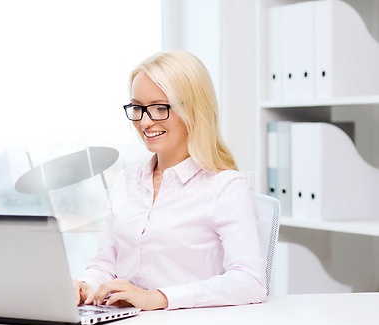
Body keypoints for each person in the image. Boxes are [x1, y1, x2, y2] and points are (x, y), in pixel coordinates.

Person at [72, 51, 267, 310]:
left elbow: (250, 281)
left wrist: (159, 297)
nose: (144, 121)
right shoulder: (126, 182)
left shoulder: (226, 187)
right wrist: (87, 285)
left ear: (194, 111)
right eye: (138, 108)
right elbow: (105, 264)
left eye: (159, 108)